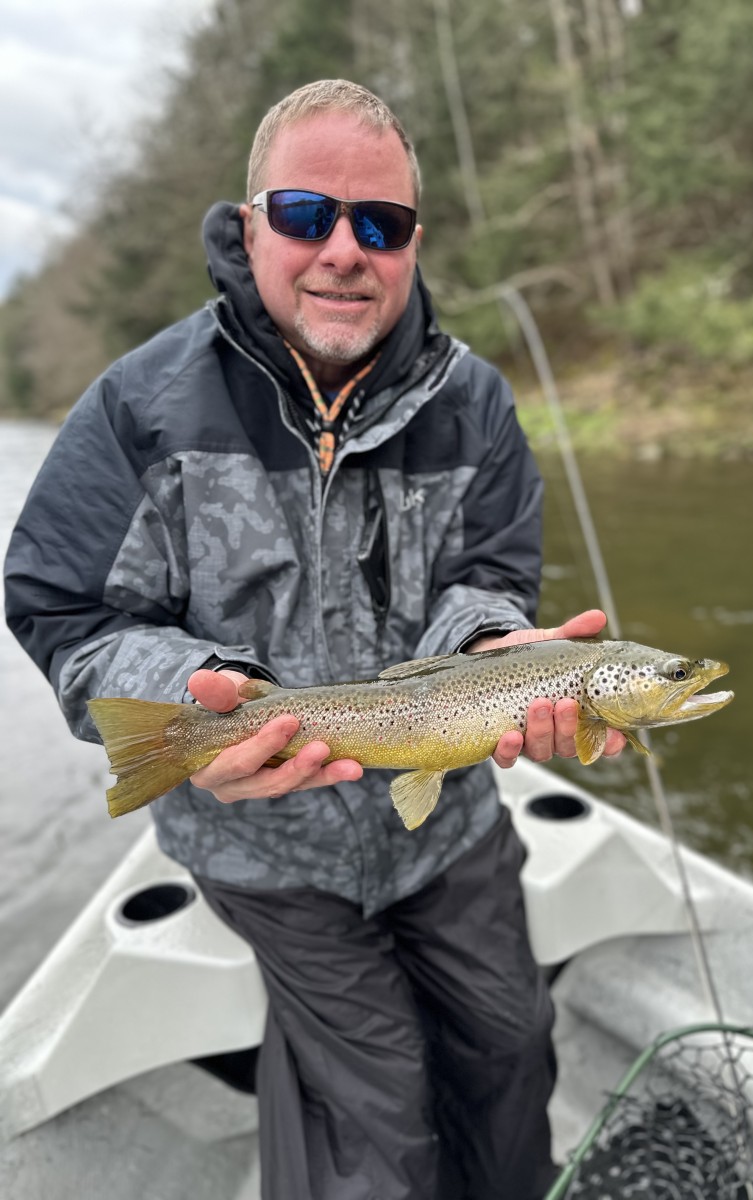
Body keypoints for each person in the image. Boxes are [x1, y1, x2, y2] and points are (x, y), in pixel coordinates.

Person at [4, 79, 624, 1200]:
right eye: (306, 214)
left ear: (411, 244)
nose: (345, 249)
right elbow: (61, 609)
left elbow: (490, 576)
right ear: (250, 226)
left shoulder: (475, 403)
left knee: (511, 1048)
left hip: (448, 832)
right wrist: (197, 702)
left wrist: (492, 646)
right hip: (264, 849)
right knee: (377, 1107)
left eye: (378, 225)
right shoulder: (138, 407)